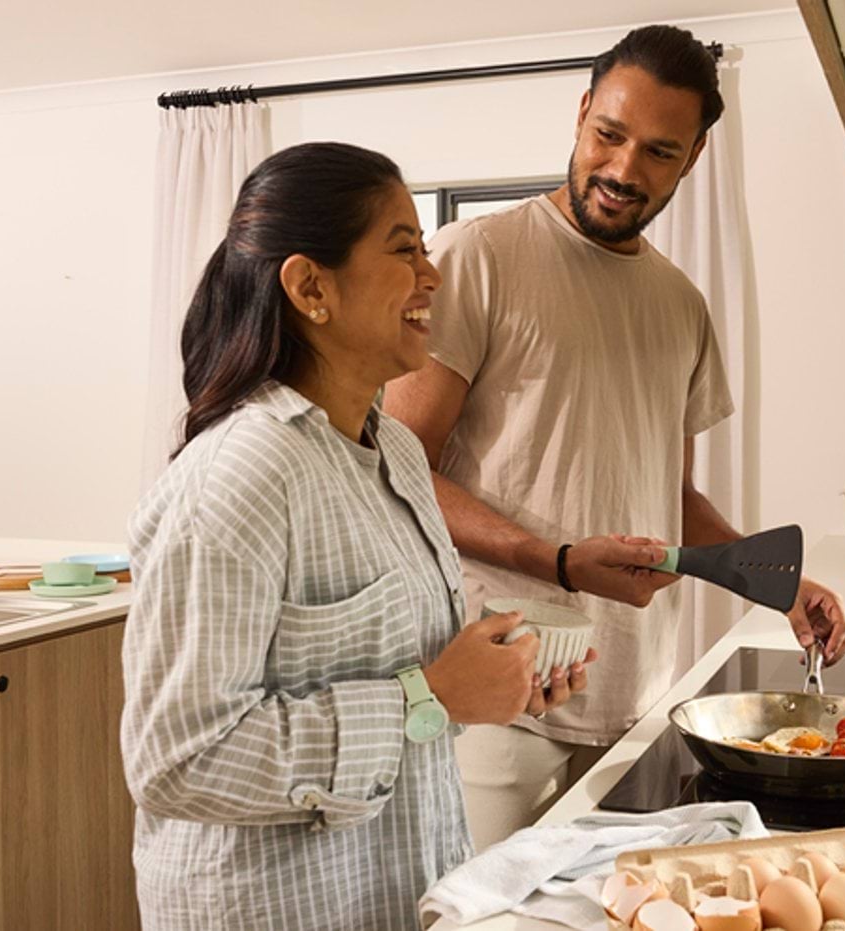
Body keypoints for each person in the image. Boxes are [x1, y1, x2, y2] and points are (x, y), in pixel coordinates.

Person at [383, 25, 845, 848]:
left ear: (693, 157)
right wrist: (559, 560)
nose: (624, 170)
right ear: (581, 114)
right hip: (504, 699)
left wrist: (777, 582)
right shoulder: (478, 256)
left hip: (638, 696)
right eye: (609, 134)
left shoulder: (682, 304)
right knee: (479, 909)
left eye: (660, 151)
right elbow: (399, 468)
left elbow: (667, 494)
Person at [121, 142, 596, 930]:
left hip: (391, 894)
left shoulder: (398, 452)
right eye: (404, 250)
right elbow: (178, 757)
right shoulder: (238, 476)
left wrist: (487, 681)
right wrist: (429, 695)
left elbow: (405, 685)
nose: (432, 276)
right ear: (311, 287)